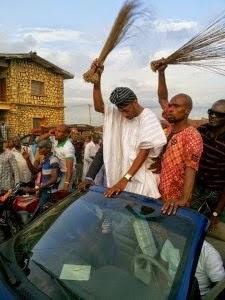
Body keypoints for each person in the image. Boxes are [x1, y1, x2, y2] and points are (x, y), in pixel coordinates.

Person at [91, 59, 167, 198]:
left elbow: (143, 152)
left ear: (135, 101)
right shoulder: (121, 115)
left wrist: (125, 179)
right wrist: (97, 80)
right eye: (120, 111)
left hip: (141, 183)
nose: (123, 115)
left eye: (126, 110)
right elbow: (99, 107)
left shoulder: (148, 117)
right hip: (122, 181)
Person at [152, 59, 203, 215]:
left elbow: (191, 169)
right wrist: (161, 72)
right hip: (158, 193)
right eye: (170, 105)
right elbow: (162, 98)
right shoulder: (171, 127)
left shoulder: (192, 136)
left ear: (186, 111)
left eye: (176, 106)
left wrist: (183, 199)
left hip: (173, 203)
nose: (170, 109)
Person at [190, 100, 225, 231]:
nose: (213, 116)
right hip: (195, 184)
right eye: (211, 112)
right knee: (188, 222)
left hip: (214, 192)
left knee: (204, 227)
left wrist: (217, 212)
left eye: (219, 114)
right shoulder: (202, 130)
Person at [161, 239, 225, 296]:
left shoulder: (209, 254)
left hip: (195, 296)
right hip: (170, 290)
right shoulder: (169, 242)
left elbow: (219, 287)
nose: (168, 235)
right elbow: (161, 267)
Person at [22, 139, 61, 209]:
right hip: (44, 190)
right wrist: (27, 160)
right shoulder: (44, 160)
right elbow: (35, 171)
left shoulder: (53, 160)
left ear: (48, 148)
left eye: (41, 148)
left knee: (39, 212)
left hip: (50, 192)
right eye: (38, 147)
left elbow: (53, 179)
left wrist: (34, 189)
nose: (38, 150)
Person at [38, 125, 76, 192]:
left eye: (59, 131)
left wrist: (66, 184)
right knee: (54, 191)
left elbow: (69, 169)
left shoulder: (68, 147)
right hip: (59, 171)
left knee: (61, 193)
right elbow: (39, 140)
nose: (56, 132)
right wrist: (48, 134)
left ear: (66, 134)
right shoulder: (55, 139)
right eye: (56, 130)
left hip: (66, 173)